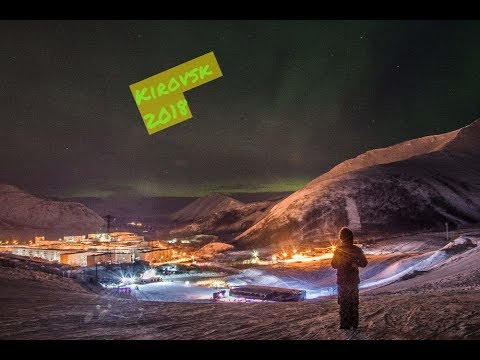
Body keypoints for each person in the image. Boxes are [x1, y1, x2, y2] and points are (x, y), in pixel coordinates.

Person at [331, 227, 368, 330]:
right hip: (353, 280)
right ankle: (354, 324)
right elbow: (364, 263)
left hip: (342, 281)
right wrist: (356, 264)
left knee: (343, 303)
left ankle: (345, 325)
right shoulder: (357, 249)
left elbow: (333, 265)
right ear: (351, 237)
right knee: (353, 302)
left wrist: (341, 263)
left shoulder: (338, 250)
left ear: (341, 238)